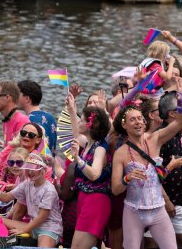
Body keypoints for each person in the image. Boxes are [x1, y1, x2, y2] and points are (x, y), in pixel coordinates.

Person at [111, 84, 182, 249]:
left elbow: (180, 121)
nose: (137, 122)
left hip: (158, 210)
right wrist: (127, 178)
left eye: (139, 119)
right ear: (124, 125)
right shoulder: (121, 153)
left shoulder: (156, 138)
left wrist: (181, 101)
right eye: (132, 119)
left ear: (145, 122)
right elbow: (116, 189)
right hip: (133, 211)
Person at [0, 153, 63, 248]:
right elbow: (6, 197)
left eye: (34, 169)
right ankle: (7, 240)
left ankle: (12, 239)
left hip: (49, 228)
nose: (30, 172)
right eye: (28, 169)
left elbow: (42, 217)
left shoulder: (49, 190)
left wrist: (24, 230)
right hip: (32, 226)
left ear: (43, 170)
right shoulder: (27, 184)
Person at [66, 94, 112, 248]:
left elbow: (94, 174)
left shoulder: (99, 148)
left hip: (96, 202)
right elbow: (76, 133)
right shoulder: (87, 144)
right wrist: (72, 110)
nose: (79, 122)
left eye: (82, 120)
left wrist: (78, 160)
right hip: (84, 200)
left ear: (90, 125)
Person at [144, 91, 182, 248]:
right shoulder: (160, 137)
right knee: (152, 244)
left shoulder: (177, 133)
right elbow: (152, 174)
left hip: (177, 199)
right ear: (172, 114)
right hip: (159, 201)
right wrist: (167, 201)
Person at [17, 80, 57, 156]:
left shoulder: (27, 121)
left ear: (27, 98)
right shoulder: (50, 117)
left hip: (33, 165)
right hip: (50, 164)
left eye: (17, 94)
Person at [0, 81, 30, 149]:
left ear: (7, 97)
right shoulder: (7, 120)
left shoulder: (21, 122)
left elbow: (21, 154)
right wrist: (6, 146)